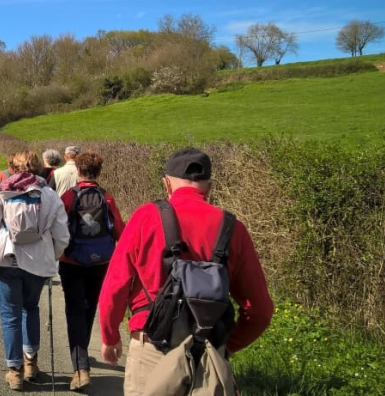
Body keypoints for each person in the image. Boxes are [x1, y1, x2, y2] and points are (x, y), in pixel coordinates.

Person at [98, 147, 274, 396]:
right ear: (209, 187)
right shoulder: (233, 228)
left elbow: (116, 284)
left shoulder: (146, 217)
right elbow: (260, 310)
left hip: (152, 349)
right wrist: (227, 347)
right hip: (208, 354)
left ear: (166, 184)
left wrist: (110, 335)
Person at [0, 151, 70, 391]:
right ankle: (31, 364)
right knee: (31, 308)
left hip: (8, 259)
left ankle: (15, 371)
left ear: (13, 167)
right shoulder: (49, 195)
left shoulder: (4, 190)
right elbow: (62, 235)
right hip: (37, 262)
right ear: (39, 168)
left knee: (10, 316)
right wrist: (54, 255)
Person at [59, 151, 126, 391]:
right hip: (100, 263)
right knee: (88, 310)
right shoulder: (107, 198)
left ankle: (81, 368)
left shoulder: (68, 196)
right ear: (98, 172)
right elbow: (120, 231)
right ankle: (82, 361)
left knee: (74, 312)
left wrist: (55, 253)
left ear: (78, 171)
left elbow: (57, 229)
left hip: (72, 262)